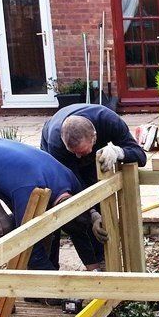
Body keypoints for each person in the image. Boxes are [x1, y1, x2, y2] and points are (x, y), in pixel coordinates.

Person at [0, 138, 98, 271]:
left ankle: (40, 277)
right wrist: (50, 284)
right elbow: (26, 240)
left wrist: (94, 267)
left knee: (44, 227)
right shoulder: (29, 192)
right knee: (1, 228)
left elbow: (78, 229)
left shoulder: (71, 181)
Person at [40, 103, 147, 261]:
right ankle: (53, 268)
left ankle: (103, 258)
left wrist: (119, 152)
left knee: (98, 194)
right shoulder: (57, 143)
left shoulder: (108, 120)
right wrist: (92, 214)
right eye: (74, 153)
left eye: (82, 152)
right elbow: (72, 186)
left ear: (95, 137)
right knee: (70, 211)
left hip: (92, 146)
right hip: (54, 147)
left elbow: (141, 156)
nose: (78, 157)